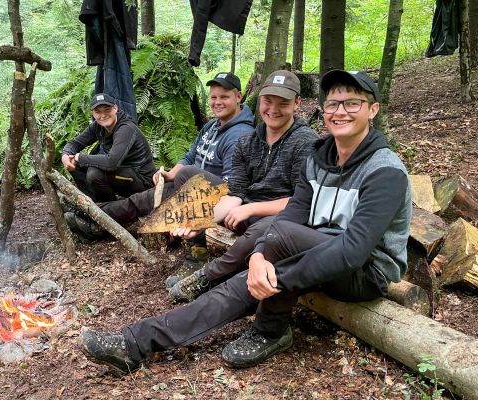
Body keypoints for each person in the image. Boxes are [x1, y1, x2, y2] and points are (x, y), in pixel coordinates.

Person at [79, 70, 412, 374]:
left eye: (352, 103)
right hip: (314, 250)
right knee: (242, 279)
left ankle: (270, 329)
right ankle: (135, 342)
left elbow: (353, 252)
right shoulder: (320, 157)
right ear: (323, 110)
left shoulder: (384, 171)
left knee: (268, 254)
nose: (340, 111)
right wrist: (257, 258)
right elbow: (297, 211)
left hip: (365, 271)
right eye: (334, 103)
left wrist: (276, 276)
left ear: (373, 109)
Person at [167, 70, 318, 302]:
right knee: (191, 176)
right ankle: (196, 256)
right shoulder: (247, 141)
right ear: (259, 101)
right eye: (268, 101)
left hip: (281, 219)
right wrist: (202, 220)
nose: (273, 109)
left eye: (283, 103)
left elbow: (302, 201)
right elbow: (235, 192)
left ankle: (207, 277)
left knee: (264, 229)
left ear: (297, 103)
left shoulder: (306, 142)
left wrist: (250, 209)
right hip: (241, 211)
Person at [68, 72, 254, 256]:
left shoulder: (240, 135)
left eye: (224, 97)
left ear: (238, 97)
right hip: (187, 183)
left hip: (204, 195)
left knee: (138, 202)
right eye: (213, 97)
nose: (217, 102)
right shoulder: (212, 126)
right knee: (141, 200)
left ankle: (91, 218)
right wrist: (170, 174)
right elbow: (190, 156)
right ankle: (90, 214)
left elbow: (230, 186)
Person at [61, 93, 156, 204]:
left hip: (142, 181)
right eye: (98, 112)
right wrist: (65, 155)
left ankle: (107, 209)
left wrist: (80, 157)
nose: (103, 115)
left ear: (115, 108)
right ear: (93, 114)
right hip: (123, 174)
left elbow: (112, 162)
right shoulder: (97, 126)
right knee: (75, 164)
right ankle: (92, 204)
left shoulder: (126, 128)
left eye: (107, 110)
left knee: (94, 173)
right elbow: (74, 143)